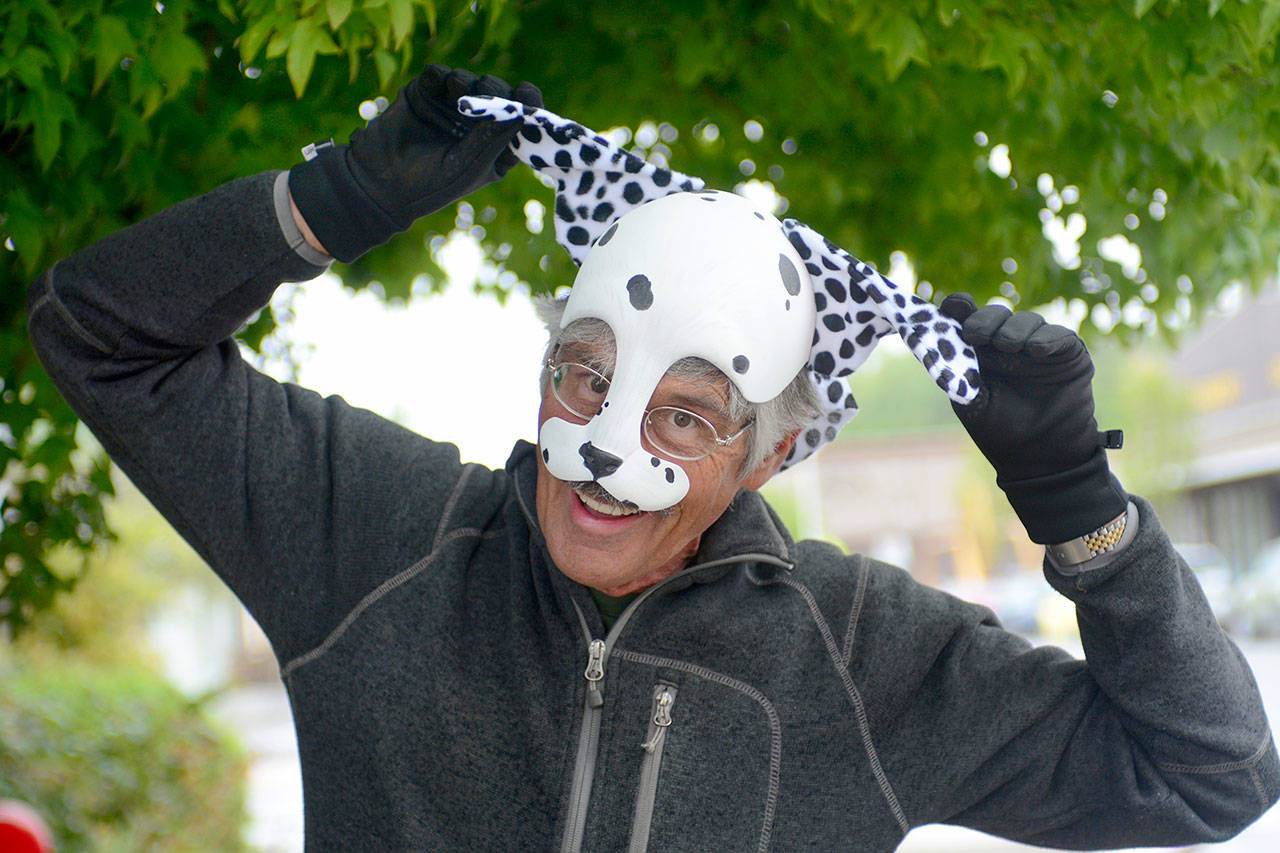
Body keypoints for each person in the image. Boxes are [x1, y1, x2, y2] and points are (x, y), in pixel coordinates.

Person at [27, 64, 1279, 851]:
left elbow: (1207, 775)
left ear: (772, 450)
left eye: (686, 413)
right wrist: (319, 207)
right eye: (586, 370)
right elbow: (99, 333)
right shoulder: (382, 539)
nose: (604, 447)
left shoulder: (862, 656)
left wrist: (1080, 509)